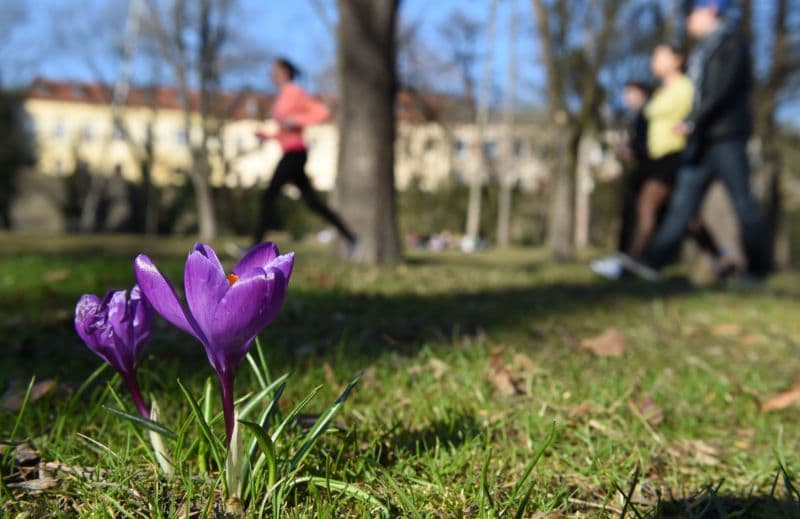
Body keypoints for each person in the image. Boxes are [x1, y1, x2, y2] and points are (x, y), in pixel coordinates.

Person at [623, 0, 771, 282]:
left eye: (692, 14)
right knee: (682, 204)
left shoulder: (731, 42)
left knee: (742, 202)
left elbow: (721, 88)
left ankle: (758, 268)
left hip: (726, 135)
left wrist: (693, 120)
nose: (688, 21)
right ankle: (652, 264)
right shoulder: (702, 50)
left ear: (710, 11)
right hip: (701, 139)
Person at [252, 57, 356, 247]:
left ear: (285, 73)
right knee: (313, 202)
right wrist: (268, 136)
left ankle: (254, 246)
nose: (272, 75)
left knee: (269, 195)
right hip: (290, 151)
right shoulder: (282, 95)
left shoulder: (295, 92)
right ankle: (350, 237)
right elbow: (284, 132)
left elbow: (322, 112)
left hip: (296, 153)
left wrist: (297, 121)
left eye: (275, 71)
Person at [590, 81, 651, 280]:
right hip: (644, 171)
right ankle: (626, 259)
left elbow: (649, 143)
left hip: (653, 172)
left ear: (641, 93)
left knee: (636, 213)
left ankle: (631, 260)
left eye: (630, 94)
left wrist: (632, 149)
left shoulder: (649, 114)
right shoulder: (637, 116)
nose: (627, 99)